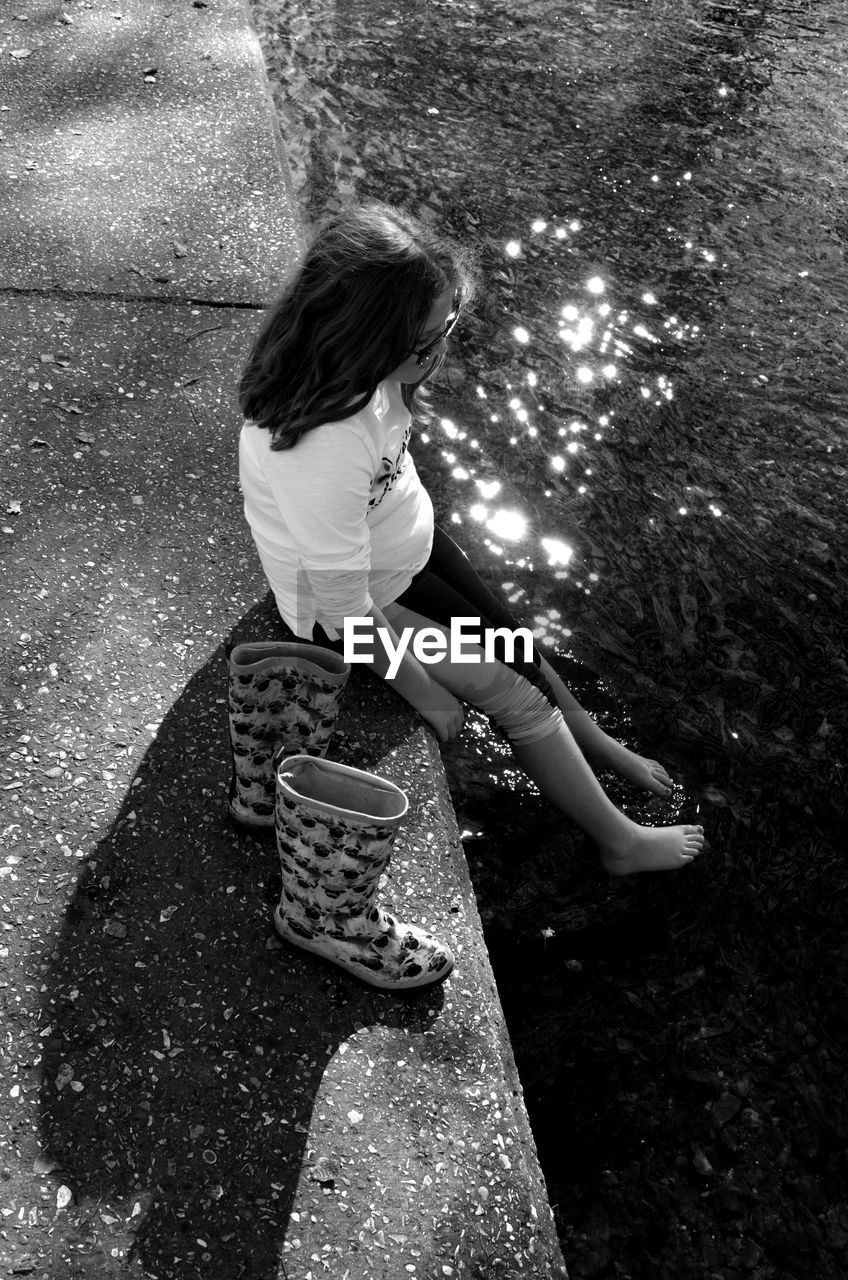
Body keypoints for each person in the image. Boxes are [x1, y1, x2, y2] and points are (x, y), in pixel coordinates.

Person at [238, 203, 705, 876]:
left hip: (407, 552)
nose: (440, 353)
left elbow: (382, 473)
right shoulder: (322, 442)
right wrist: (420, 687)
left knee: (514, 640)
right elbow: (342, 608)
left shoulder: (359, 377)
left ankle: (589, 735)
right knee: (514, 694)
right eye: (427, 342)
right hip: (365, 603)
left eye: (448, 328)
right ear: (367, 336)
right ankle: (619, 841)